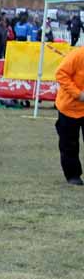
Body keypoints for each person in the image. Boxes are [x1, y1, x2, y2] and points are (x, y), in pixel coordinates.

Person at [54, 45, 84, 186]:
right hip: (69, 107)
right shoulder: (78, 55)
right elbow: (61, 73)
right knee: (69, 143)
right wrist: (78, 94)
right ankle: (73, 175)